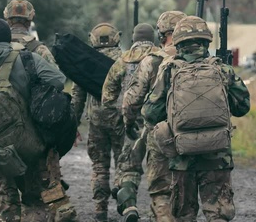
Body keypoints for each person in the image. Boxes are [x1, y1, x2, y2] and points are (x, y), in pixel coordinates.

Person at [0, 17, 77, 222]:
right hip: (29, 142)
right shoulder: (26, 58)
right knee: (34, 201)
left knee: (6, 205)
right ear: (9, 38)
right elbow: (58, 80)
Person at [142, 16, 250, 222]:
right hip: (217, 156)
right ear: (206, 41)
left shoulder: (168, 70)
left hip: (182, 157)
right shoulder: (222, 69)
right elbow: (243, 107)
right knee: (218, 214)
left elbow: (150, 113)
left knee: (184, 215)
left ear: (178, 42)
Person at [118, 11, 186, 222]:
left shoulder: (153, 61)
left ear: (162, 33)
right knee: (188, 193)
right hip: (193, 134)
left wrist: (129, 124)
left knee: (161, 191)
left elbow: (131, 101)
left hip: (160, 134)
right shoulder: (200, 60)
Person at [101, 23, 161, 221]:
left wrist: (120, 110)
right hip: (157, 121)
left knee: (128, 167)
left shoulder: (123, 59)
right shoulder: (161, 57)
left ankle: (129, 206)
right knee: (159, 167)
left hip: (131, 121)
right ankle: (160, 212)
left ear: (134, 38)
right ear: (153, 37)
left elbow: (107, 95)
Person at [70, 23, 124, 222]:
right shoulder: (124, 59)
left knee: (100, 166)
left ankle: (100, 211)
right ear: (116, 37)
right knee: (123, 163)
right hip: (121, 118)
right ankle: (126, 204)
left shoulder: (86, 61)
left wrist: (72, 124)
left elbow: (77, 96)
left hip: (97, 120)